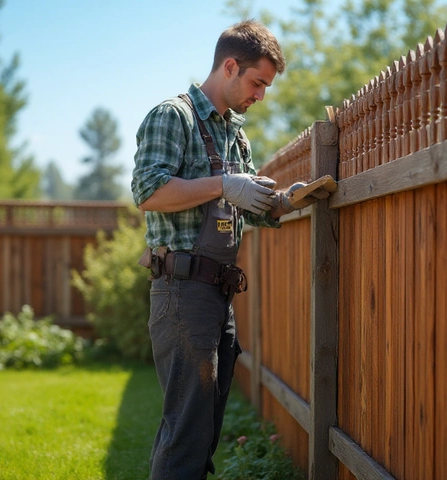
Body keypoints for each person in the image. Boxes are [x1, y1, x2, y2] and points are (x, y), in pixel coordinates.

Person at [131, 20, 324, 480]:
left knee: (204, 431)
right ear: (230, 66)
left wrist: (282, 202)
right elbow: (148, 191)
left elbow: (250, 207)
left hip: (219, 296)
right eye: (257, 83)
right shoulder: (171, 116)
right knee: (186, 433)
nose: (261, 96)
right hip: (181, 293)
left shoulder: (235, 134)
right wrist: (223, 184)